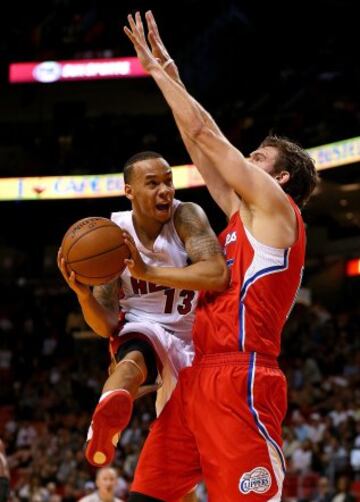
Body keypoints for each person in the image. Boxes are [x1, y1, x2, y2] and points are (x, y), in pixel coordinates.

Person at [123, 11, 319, 501]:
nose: (244, 161)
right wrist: (172, 76)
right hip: (199, 376)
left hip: (242, 377)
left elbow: (211, 137)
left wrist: (159, 75)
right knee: (148, 494)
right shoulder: (240, 217)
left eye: (256, 159)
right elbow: (197, 144)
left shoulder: (279, 212)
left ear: (282, 178)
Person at [58, 151, 228, 474]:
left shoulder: (186, 217)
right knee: (130, 360)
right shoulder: (113, 236)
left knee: (182, 466)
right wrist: (83, 297)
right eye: (152, 184)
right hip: (144, 328)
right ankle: (103, 427)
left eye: (168, 181)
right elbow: (107, 325)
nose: (165, 190)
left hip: (194, 341)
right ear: (129, 191)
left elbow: (218, 275)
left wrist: (147, 272)